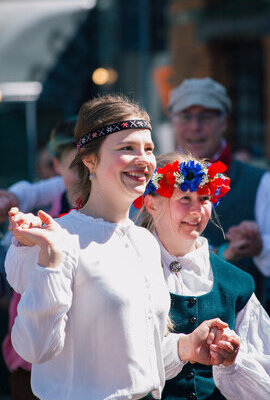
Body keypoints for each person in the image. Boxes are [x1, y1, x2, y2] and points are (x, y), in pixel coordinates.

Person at [4, 94, 235, 400]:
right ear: (90, 160)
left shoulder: (144, 242)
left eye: (148, 149)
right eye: (127, 148)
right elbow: (34, 348)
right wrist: (51, 261)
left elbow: (136, 362)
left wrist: (187, 346)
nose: (143, 159)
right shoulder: (57, 239)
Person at [167, 78, 270, 391]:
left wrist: (261, 247)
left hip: (244, 349)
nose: (195, 126)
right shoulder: (153, 184)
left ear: (224, 121)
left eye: (206, 116)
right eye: (186, 116)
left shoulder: (258, 182)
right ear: (172, 119)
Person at [135, 152, 270, 400]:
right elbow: (113, 358)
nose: (197, 210)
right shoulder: (129, 268)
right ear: (151, 204)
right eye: (185, 197)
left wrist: (233, 362)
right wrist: (182, 348)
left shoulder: (234, 282)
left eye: (204, 198)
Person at [1, 117, 79, 400]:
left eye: (91, 160)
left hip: (81, 361)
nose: (85, 170)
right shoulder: (43, 207)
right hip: (28, 360)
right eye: (75, 162)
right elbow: (27, 191)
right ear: (57, 166)